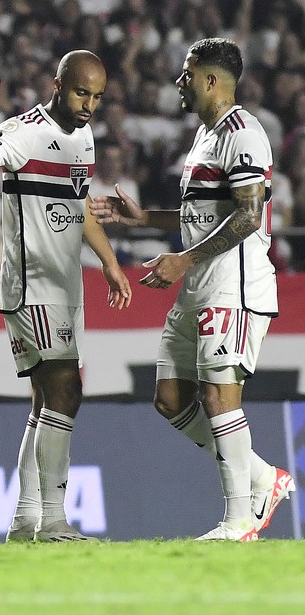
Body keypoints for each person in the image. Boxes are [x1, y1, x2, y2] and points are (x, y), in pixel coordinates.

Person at [90, 38, 296, 541]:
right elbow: (204, 214)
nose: (178, 83)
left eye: (186, 74)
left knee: (218, 395)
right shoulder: (206, 136)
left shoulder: (244, 133)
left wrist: (184, 259)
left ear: (210, 79)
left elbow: (249, 216)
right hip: (200, 283)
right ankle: (264, 478)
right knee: (170, 397)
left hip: (233, 283)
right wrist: (142, 219)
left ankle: (239, 520)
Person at [0, 50, 133, 542]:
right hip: (32, 284)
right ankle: (53, 520)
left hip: (64, 284)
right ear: (57, 83)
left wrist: (110, 262)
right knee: (66, 392)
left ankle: (25, 521)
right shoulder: (23, 132)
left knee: (44, 403)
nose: (89, 105)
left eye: (97, 96)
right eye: (80, 93)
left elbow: (78, 206)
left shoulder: (85, 136)